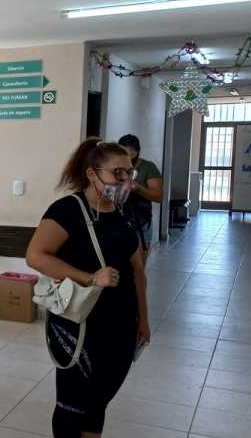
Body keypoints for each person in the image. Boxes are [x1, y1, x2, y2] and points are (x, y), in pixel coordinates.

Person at [24, 139, 150, 438]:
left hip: (122, 323)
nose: (126, 181)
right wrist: (90, 277)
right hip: (79, 325)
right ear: (93, 174)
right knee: (72, 406)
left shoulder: (123, 211)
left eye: (129, 173)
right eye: (117, 173)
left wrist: (143, 318)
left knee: (98, 403)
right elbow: (35, 256)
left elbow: (138, 271)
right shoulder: (68, 210)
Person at [117, 134, 163, 261]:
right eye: (124, 150)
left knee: (139, 267)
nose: (128, 154)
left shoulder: (147, 167)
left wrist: (138, 188)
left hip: (140, 221)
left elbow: (159, 197)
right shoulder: (114, 166)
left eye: (132, 150)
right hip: (116, 220)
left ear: (137, 151)